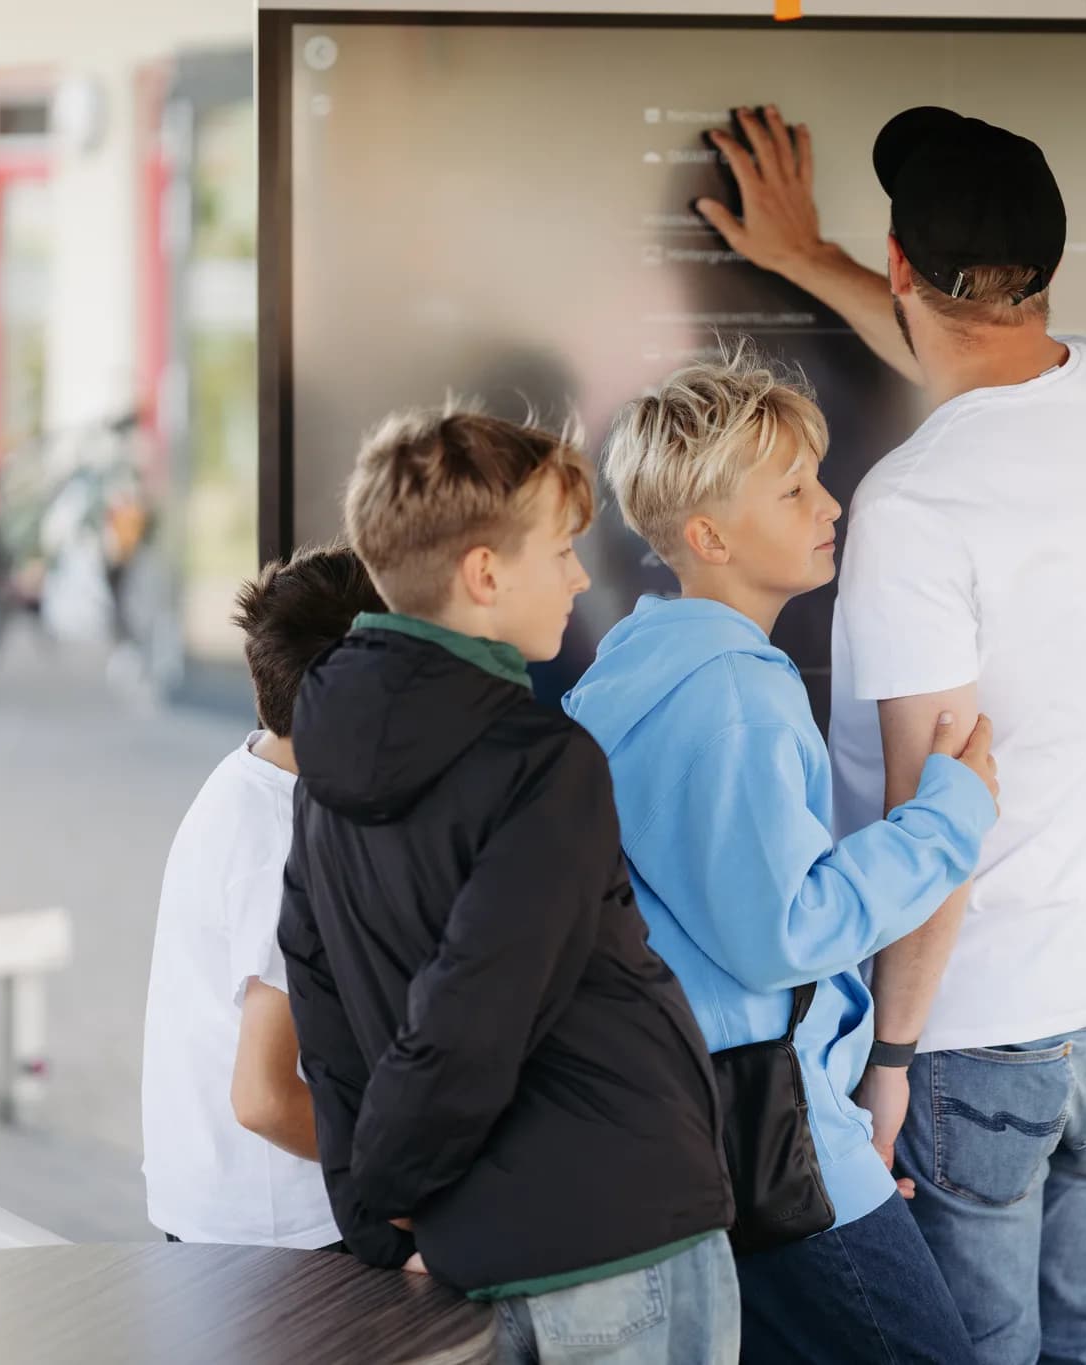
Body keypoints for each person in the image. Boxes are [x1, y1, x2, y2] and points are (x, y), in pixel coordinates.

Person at [696, 105, 1086, 1364]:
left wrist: (889, 1056)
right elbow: (979, 366)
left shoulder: (915, 506)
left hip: (979, 1022)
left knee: (976, 1350)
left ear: (899, 261)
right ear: (1046, 269)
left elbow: (934, 812)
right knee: (1081, 1329)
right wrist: (806, 259)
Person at [563, 347, 999, 1365]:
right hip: (778, 1141)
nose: (830, 504)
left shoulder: (634, 671)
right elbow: (784, 930)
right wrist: (951, 814)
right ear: (708, 536)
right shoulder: (732, 695)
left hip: (705, 1130)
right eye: (793, 488)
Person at [277, 406, 739, 1363]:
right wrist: (386, 1187)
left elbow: (324, 1015)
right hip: (619, 1231)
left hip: (469, 1247)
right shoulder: (545, 761)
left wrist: (375, 1213)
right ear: (484, 574)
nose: (580, 576)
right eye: (561, 550)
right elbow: (475, 1014)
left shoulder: (318, 771)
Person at [139, 544, 383, 1250]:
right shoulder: (283, 838)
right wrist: (402, 1191)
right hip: (279, 1231)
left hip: (215, 1204)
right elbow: (264, 1097)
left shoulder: (251, 775)